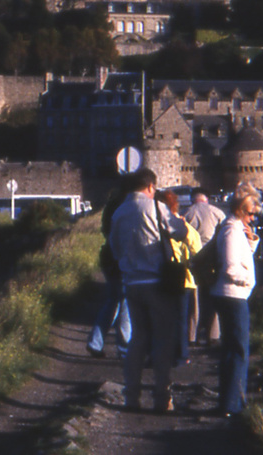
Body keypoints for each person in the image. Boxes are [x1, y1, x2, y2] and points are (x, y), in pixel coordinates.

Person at [109, 168, 180, 412]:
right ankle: (162, 398)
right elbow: (178, 231)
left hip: (132, 283)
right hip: (157, 281)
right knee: (162, 339)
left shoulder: (119, 212)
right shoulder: (155, 208)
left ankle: (132, 396)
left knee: (138, 338)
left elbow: (114, 248)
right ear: (150, 186)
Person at [211, 189, 261, 416]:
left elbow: (240, 259)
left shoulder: (237, 229)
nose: (253, 218)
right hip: (232, 295)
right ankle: (231, 405)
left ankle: (233, 401)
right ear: (240, 209)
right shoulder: (231, 230)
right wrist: (249, 280)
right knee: (237, 351)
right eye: (251, 213)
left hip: (233, 295)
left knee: (234, 350)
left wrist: (251, 243)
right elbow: (231, 266)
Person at [88, 179, 134, 357]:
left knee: (113, 301)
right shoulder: (127, 207)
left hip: (108, 257)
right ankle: (124, 348)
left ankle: (96, 342)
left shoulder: (112, 204)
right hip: (120, 259)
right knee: (125, 304)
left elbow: (106, 230)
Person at [159, 190, 203, 367]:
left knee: (160, 318)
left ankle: (159, 353)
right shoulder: (184, 227)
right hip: (181, 277)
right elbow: (196, 250)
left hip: (159, 276)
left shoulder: (154, 226)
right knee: (181, 319)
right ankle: (181, 354)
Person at [181, 191, 226, 342]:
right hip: (213, 259)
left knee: (194, 301)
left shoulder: (187, 213)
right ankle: (213, 334)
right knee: (214, 296)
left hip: (192, 259)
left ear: (192, 199)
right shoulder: (218, 212)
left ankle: (191, 335)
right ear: (206, 199)